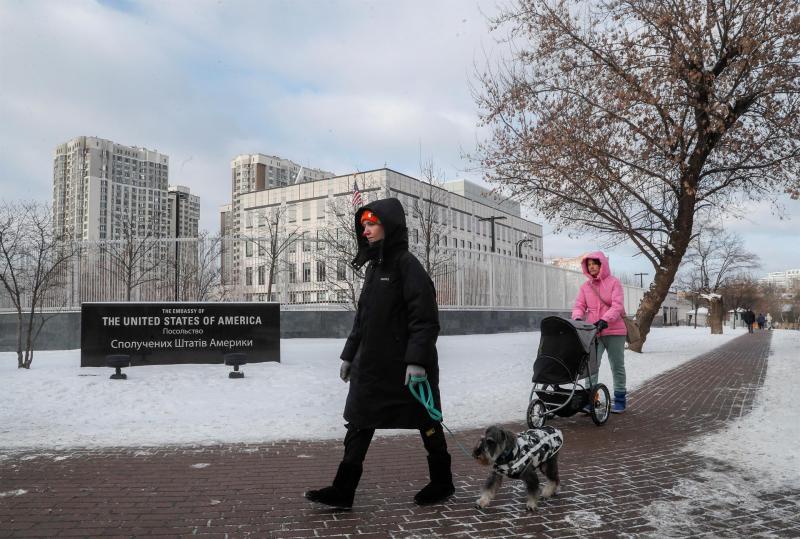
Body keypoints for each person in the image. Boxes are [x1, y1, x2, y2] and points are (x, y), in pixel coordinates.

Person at [304, 198, 454, 509]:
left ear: (390, 226)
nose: (366, 230)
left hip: (405, 368)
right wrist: (349, 355)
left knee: (426, 420)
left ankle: (442, 482)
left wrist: (417, 362)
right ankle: (343, 489)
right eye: (364, 226)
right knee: (359, 421)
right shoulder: (374, 267)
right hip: (371, 366)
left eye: (372, 224)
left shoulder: (408, 266)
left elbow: (425, 320)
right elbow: (363, 318)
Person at [571, 252, 628, 413]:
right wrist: (578, 318)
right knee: (591, 367)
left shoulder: (614, 283)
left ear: (602, 264)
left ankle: (620, 399)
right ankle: (591, 400)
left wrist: (605, 319)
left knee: (617, 365)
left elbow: (617, 305)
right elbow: (579, 305)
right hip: (594, 332)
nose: (591, 267)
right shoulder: (585, 287)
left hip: (614, 330)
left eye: (594, 264)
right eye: (589, 265)